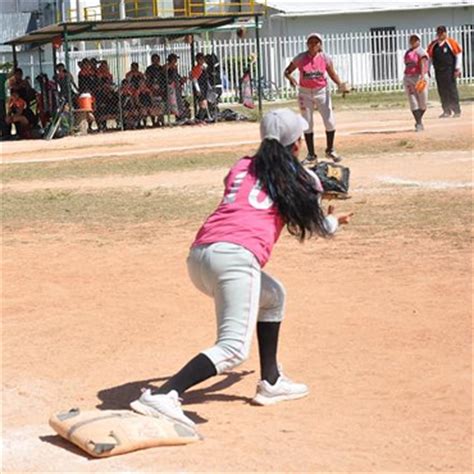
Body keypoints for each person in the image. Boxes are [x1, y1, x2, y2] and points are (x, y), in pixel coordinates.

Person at [130, 108, 353, 427]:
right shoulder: (302, 179)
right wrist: (331, 218)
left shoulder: (241, 166)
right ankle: (164, 394)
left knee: (273, 296)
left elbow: (251, 197)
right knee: (233, 349)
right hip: (236, 259)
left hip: (201, 255)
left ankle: (272, 382)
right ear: (295, 145)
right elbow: (318, 225)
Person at [284, 32, 349, 164]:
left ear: (320, 45)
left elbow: (332, 73)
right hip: (305, 92)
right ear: (307, 44)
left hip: (321, 91)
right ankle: (311, 155)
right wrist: (291, 78)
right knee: (307, 123)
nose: (313, 45)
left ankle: (330, 149)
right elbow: (287, 71)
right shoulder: (301, 58)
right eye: (311, 42)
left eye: (316, 42)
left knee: (329, 121)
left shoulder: (325, 58)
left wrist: (340, 84)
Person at [427, 25, 463, 118]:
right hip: (439, 71)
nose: (441, 34)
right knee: (442, 90)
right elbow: (430, 58)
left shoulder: (451, 42)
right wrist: (428, 69)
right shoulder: (433, 45)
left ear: (445, 33)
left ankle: (456, 110)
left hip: (450, 70)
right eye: (439, 32)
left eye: (442, 32)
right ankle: (446, 111)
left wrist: (457, 68)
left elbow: (458, 54)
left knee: (451, 90)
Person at [403, 34, 429, 132]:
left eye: (415, 40)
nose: (413, 42)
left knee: (423, 102)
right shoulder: (407, 52)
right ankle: (418, 123)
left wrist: (422, 77)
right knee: (413, 101)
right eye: (412, 40)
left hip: (419, 77)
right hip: (409, 78)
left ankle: (419, 120)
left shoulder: (421, 51)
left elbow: (423, 63)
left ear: (419, 41)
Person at [190, 53, 211, 121]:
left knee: (204, 104)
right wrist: (198, 89)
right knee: (203, 104)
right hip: (200, 88)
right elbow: (194, 79)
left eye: (203, 59)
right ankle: (200, 119)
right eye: (200, 59)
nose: (202, 60)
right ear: (197, 60)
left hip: (204, 88)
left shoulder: (203, 68)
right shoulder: (197, 68)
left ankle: (203, 118)